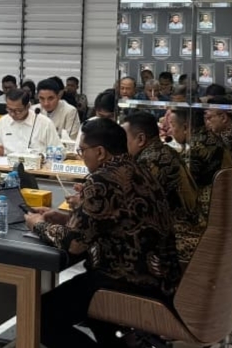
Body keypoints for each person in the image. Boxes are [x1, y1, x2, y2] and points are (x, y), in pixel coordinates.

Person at [27, 118, 180, 348]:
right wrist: (66, 218)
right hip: (160, 280)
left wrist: (38, 224)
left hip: (127, 281)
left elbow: (75, 244)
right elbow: (115, 222)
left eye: (82, 150)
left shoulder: (102, 179)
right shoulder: (140, 169)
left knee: (39, 317)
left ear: (100, 152)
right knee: (88, 309)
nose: (81, 156)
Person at [169, 109, 232, 263]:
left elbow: (186, 188)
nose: (170, 130)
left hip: (205, 212)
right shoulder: (212, 138)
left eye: (172, 125)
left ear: (185, 127)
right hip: (224, 203)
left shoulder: (194, 149)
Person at [123, 111, 198, 236]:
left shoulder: (148, 162)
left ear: (141, 139)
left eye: (124, 139)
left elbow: (133, 206)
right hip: (190, 226)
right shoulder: (165, 151)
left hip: (178, 235)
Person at [0, 89, 62, 157]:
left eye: (18, 110)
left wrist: (43, 157)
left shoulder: (44, 123)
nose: (12, 114)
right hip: (6, 163)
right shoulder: (3, 122)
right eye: (9, 109)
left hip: (37, 163)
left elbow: (59, 152)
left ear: (28, 106)